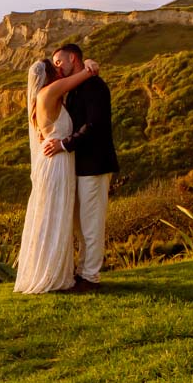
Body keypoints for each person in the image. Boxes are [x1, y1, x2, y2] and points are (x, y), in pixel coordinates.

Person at [14, 57, 99, 294]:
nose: (62, 70)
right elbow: (85, 74)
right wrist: (90, 64)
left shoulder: (43, 97)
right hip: (57, 163)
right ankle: (50, 274)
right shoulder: (51, 91)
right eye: (58, 68)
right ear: (51, 75)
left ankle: (50, 271)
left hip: (55, 160)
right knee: (54, 215)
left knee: (52, 215)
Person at [43, 44, 119, 292]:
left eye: (59, 61)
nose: (57, 67)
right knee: (80, 224)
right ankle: (82, 272)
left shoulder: (94, 86)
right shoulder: (76, 87)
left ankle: (91, 277)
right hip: (80, 166)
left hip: (95, 165)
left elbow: (93, 125)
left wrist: (65, 144)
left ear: (72, 58)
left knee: (91, 223)